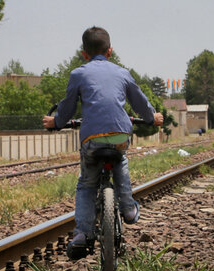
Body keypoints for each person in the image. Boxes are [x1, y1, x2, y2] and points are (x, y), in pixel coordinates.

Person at [43, 27, 163, 258]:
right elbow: (140, 102)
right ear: (110, 51)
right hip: (119, 136)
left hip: (91, 139)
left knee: (87, 184)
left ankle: (81, 234)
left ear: (83, 54)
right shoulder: (122, 73)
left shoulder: (78, 74)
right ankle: (128, 209)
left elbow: (67, 107)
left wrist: (56, 122)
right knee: (121, 161)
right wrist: (152, 117)